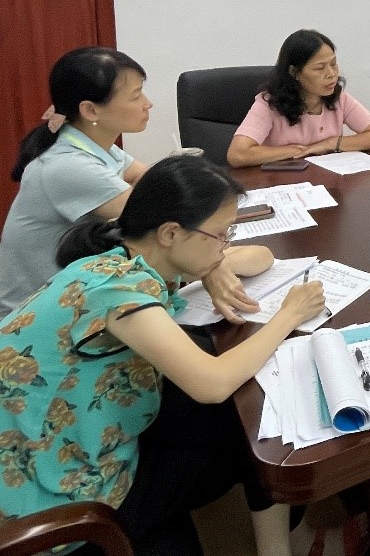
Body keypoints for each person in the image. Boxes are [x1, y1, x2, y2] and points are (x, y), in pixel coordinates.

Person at [0, 155, 327, 556]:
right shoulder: (115, 289)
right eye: (220, 234)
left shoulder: (124, 256)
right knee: (245, 417)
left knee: (243, 415)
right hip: (52, 493)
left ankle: (279, 545)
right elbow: (212, 384)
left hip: (70, 437)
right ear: (171, 233)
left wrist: (212, 266)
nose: (226, 244)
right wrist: (289, 314)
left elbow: (262, 257)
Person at [1, 48, 152, 318]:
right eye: (135, 95)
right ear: (90, 110)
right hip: (32, 318)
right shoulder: (69, 166)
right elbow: (157, 217)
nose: (147, 103)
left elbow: (147, 177)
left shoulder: (89, 143)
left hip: (72, 296)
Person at [227, 29, 370, 168]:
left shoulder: (339, 98)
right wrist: (295, 150)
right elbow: (237, 154)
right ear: (295, 72)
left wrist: (330, 143)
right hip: (282, 183)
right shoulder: (269, 104)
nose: (331, 74)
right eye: (320, 68)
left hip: (328, 183)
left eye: (333, 64)